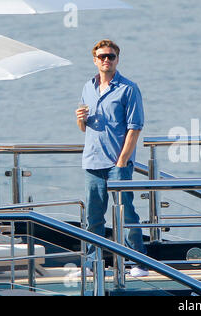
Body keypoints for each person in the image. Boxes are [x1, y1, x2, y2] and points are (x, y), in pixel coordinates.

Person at [75, 39, 148, 277]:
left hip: (118, 164)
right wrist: (79, 118)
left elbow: (134, 128)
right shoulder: (88, 86)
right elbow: (84, 128)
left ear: (118, 59)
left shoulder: (128, 88)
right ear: (95, 60)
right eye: (102, 56)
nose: (107, 60)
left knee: (126, 212)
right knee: (93, 217)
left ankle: (138, 263)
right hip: (92, 162)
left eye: (111, 56)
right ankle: (92, 265)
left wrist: (122, 161)